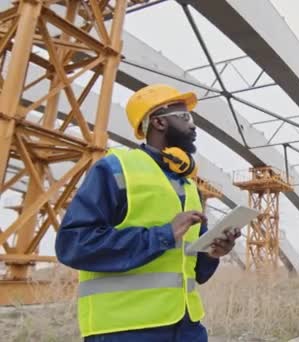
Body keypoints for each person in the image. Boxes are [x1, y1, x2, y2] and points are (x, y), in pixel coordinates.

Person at [55, 84, 240, 341]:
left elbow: (194, 271)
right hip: (124, 330)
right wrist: (163, 234)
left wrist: (213, 253)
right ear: (159, 123)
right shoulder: (116, 168)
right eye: (185, 117)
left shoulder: (188, 185)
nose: (193, 126)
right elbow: (73, 245)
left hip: (186, 327)